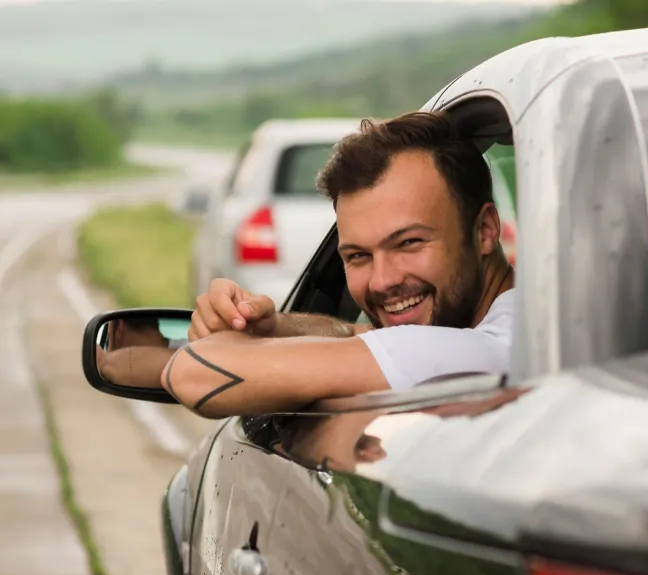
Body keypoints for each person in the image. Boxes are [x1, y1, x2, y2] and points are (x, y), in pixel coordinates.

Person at [163, 111, 515, 419]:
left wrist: (231, 342)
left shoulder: (489, 350)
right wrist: (269, 327)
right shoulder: (527, 324)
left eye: (409, 243)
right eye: (358, 256)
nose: (381, 281)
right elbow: (359, 335)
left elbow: (192, 374)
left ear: (485, 230)